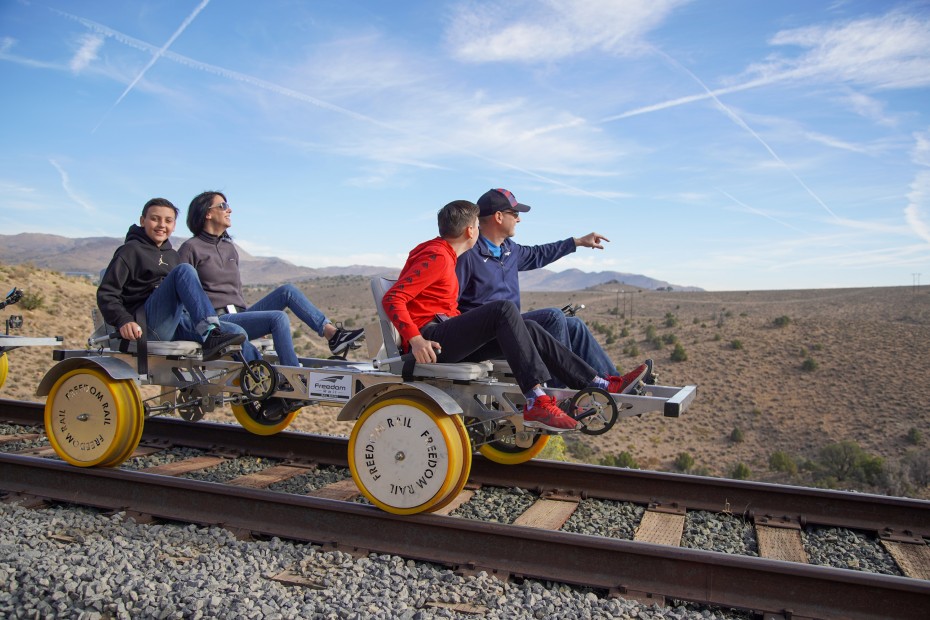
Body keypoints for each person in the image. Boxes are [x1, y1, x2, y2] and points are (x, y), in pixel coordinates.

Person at [383, 199, 648, 432]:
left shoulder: (448, 255)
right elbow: (393, 298)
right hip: (432, 340)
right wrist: (415, 340)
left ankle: (598, 383)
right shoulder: (438, 256)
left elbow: (536, 255)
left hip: (445, 334)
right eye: (476, 224)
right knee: (504, 308)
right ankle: (536, 399)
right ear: (470, 230)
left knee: (529, 326)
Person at [456, 187, 623, 383]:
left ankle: (614, 383)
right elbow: (450, 300)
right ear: (499, 216)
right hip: (485, 338)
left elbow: (539, 254)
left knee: (575, 326)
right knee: (553, 316)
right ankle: (561, 391)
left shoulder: (509, 250)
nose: (519, 219)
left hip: (511, 328)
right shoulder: (468, 254)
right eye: (515, 214)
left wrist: (576, 242)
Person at [178, 191, 365, 364]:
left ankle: (333, 335)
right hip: (218, 321)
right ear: (207, 214)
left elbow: (235, 291)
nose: (229, 209)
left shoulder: (229, 247)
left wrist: (255, 320)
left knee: (288, 291)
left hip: (240, 314)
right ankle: (292, 376)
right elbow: (183, 291)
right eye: (223, 205)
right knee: (278, 318)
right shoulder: (191, 248)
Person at [97, 198, 246, 361]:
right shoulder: (129, 251)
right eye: (155, 219)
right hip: (146, 326)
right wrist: (123, 320)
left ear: (174, 226)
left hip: (175, 323)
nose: (162, 225)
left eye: (168, 221)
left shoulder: (173, 256)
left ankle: (257, 381)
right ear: (142, 221)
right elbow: (107, 294)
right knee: (185, 270)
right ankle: (210, 333)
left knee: (237, 332)